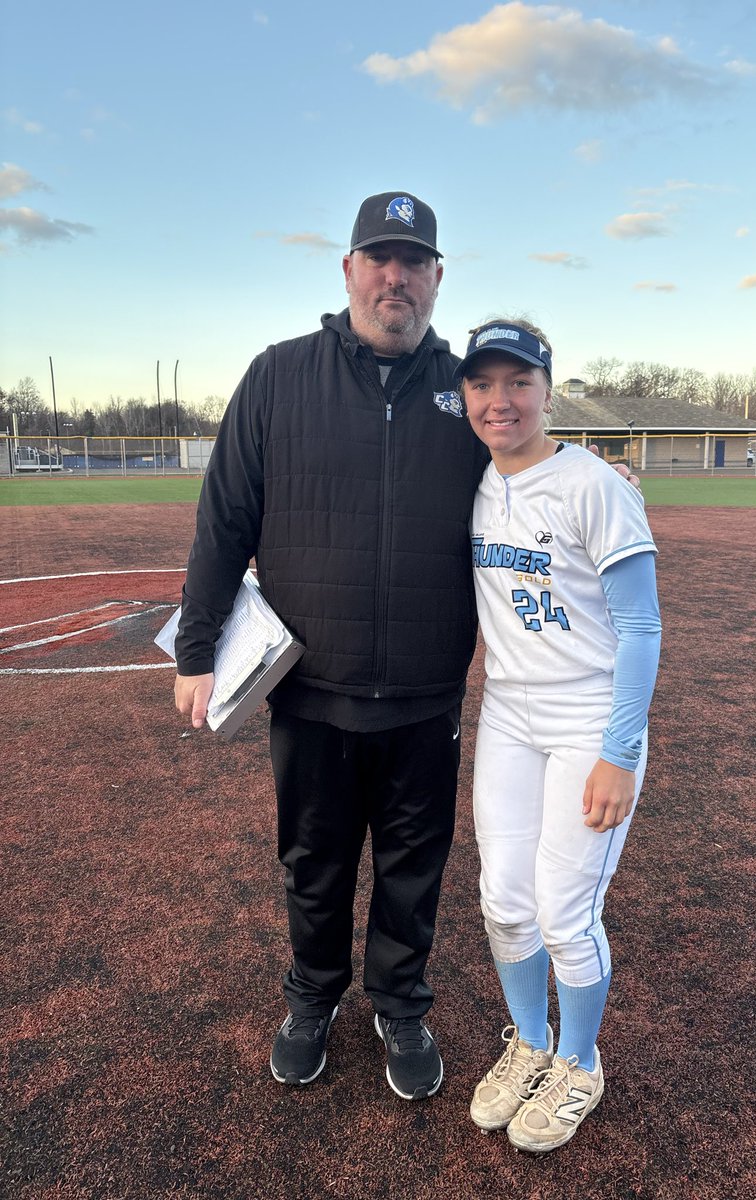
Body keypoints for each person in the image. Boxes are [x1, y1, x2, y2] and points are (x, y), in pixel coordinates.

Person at [173, 192, 641, 1104]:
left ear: (437, 277)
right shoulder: (278, 376)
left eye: (414, 261)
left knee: (412, 867)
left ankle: (401, 1005)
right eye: (379, 257)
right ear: (348, 269)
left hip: (426, 695)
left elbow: (525, 451)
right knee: (315, 862)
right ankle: (311, 999)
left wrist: (596, 467)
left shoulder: (463, 389)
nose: (397, 276)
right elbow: (224, 520)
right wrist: (197, 648)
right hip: (310, 689)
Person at [456, 320, 661, 1152]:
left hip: (588, 714)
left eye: (517, 382)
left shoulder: (592, 484)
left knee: (563, 913)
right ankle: (530, 1045)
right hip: (508, 711)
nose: (499, 401)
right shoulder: (471, 478)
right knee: (503, 902)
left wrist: (620, 749)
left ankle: (580, 1060)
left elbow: (641, 626)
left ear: (547, 388)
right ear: (462, 395)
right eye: (482, 384)